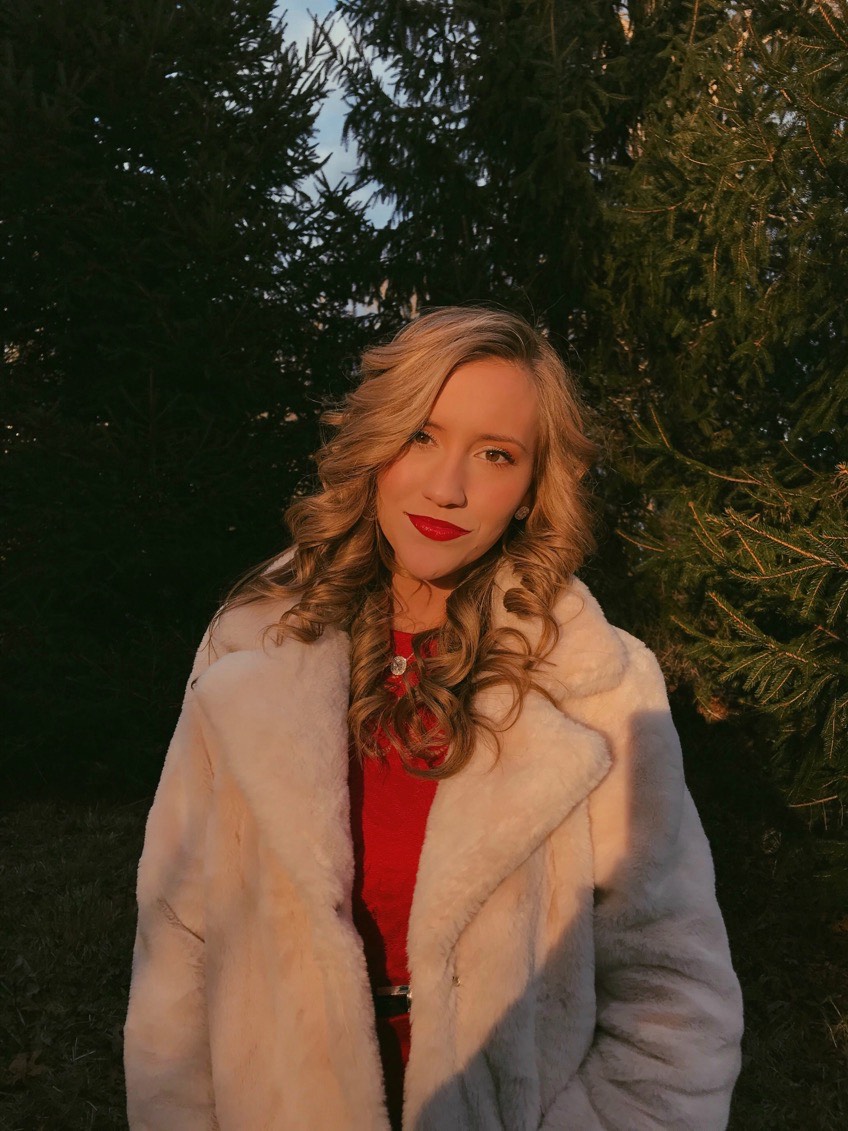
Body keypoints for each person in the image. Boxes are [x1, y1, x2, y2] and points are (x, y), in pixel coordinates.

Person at [124, 306, 744, 1130]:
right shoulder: (252, 647)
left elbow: (676, 992)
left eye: (495, 455)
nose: (447, 487)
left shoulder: (599, 681)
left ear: (530, 491)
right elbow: (179, 941)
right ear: (376, 445)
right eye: (422, 435)